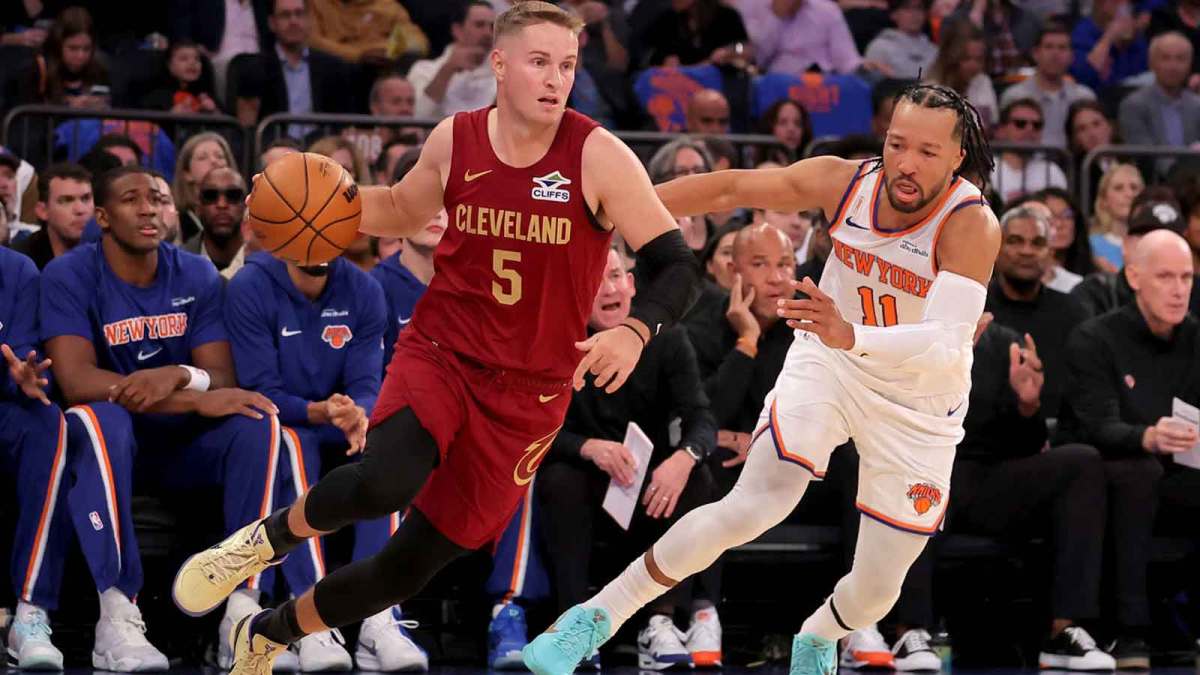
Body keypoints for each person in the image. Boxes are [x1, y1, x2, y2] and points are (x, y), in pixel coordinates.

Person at [171, 6, 701, 675]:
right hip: (444, 352)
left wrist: (632, 328)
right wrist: (300, 199)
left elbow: (679, 265)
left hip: (529, 395)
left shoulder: (597, 154)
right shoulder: (457, 139)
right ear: (500, 66)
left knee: (406, 566)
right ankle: (260, 542)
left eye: (567, 65)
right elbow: (401, 208)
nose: (556, 79)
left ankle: (270, 631)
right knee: (385, 481)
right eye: (539, 62)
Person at [523, 81, 1001, 675]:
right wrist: (616, 206)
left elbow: (943, 345)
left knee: (878, 588)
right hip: (830, 363)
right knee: (753, 505)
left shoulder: (970, 224)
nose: (905, 164)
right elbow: (729, 187)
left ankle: (821, 633)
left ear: (957, 157)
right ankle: (595, 617)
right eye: (897, 144)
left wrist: (848, 333)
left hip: (917, 398)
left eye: (927, 152)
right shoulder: (846, 180)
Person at [39, 165, 280, 672]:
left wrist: (175, 374)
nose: (149, 208)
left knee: (256, 422)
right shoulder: (69, 275)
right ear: (102, 216)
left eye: (159, 198)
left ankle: (242, 612)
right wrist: (191, 396)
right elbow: (77, 380)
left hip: (181, 450)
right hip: (109, 448)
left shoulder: (195, 275)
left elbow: (219, 375)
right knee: (102, 420)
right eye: (131, 199)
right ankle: (116, 615)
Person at [537, 248, 719, 670]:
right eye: (596, 279)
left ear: (633, 286)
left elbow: (701, 417)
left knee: (698, 478)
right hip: (585, 486)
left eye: (617, 276)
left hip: (648, 489)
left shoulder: (667, 338)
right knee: (561, 478)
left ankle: (661, 623)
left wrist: (684, 457)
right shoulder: (554, 341)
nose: (609, 288)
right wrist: (586, 447)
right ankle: (573, 624)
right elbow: (531, 431)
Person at [224, 249, 396, 671]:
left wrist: (359, 413)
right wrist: (320, 411)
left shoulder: (365, 289)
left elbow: (367, 383)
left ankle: (379, 616)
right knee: (291, 445)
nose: (317, 241)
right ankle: (310, 615)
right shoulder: (250, 286)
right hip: (284, 422)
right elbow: (260, 389)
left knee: (388, 443)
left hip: (337, 422)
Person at [1064, 230, 1199, 669]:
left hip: (1181, 475)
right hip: (1107, 477)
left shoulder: (1197, 339)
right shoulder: (1096, 339)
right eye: (1165, 277)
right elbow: (1095, 426)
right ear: (1135, 276)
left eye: (1186, 277)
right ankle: (1129, 632)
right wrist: (1147, 437)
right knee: (1138, 474)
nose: (1179, 290)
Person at [0, 247, 72, 671]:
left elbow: (21, 352)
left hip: (4, 405)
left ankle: (31, 611)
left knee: (49, 422)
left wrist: (22, 377)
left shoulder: (17, 269)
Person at [12, 163, 93, 270]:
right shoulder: (19, 263)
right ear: (42, 211)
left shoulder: (110, 256)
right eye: (66, 201)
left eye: (86, 199)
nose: (80, 210)